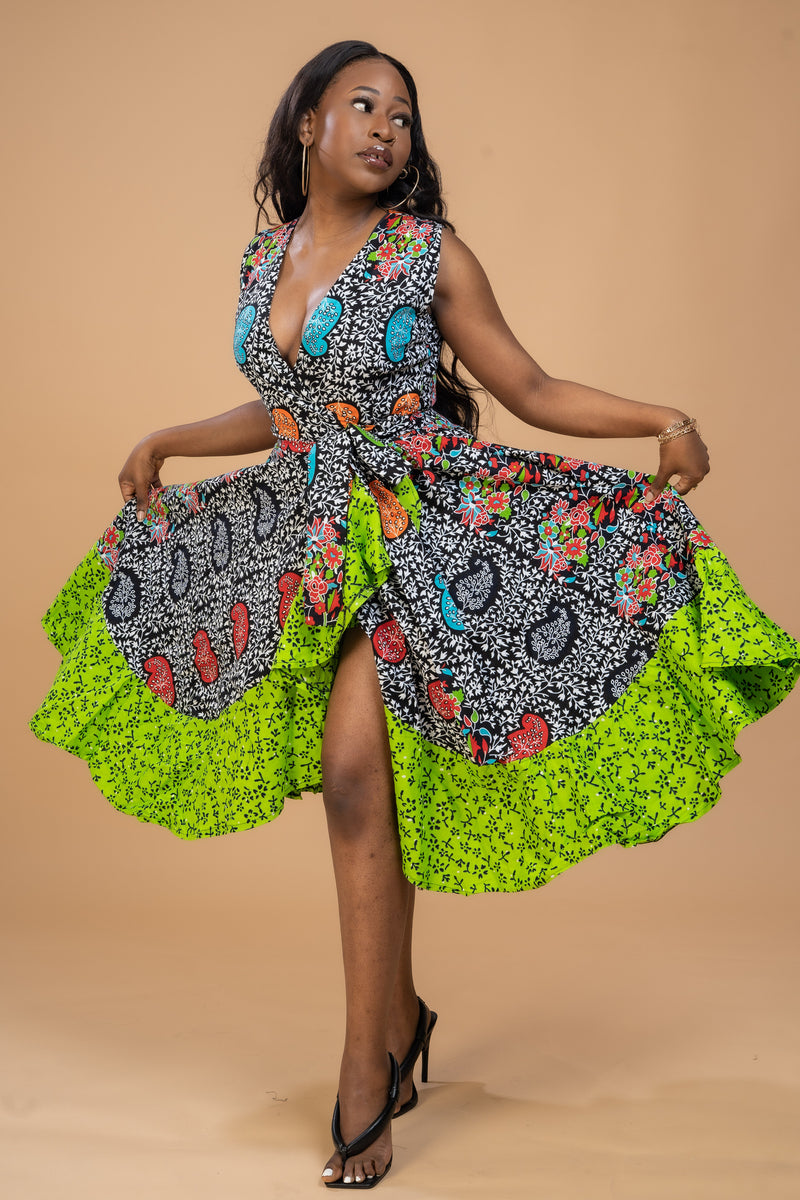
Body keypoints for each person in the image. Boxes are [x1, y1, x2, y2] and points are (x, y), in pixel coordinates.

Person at [30, 39, 799, 1190]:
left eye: (403, 114)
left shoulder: (427, 252)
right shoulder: (265, 257)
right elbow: (285, 405)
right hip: (301, 535)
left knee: (354, 776)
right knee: (353, 782)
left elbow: (527, 386)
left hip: (413, 526)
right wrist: (168, 440)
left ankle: (365, 1068)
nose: (388, 128)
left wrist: (664, 417)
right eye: (363, 105)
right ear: (306, 123)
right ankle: (398, 1019)